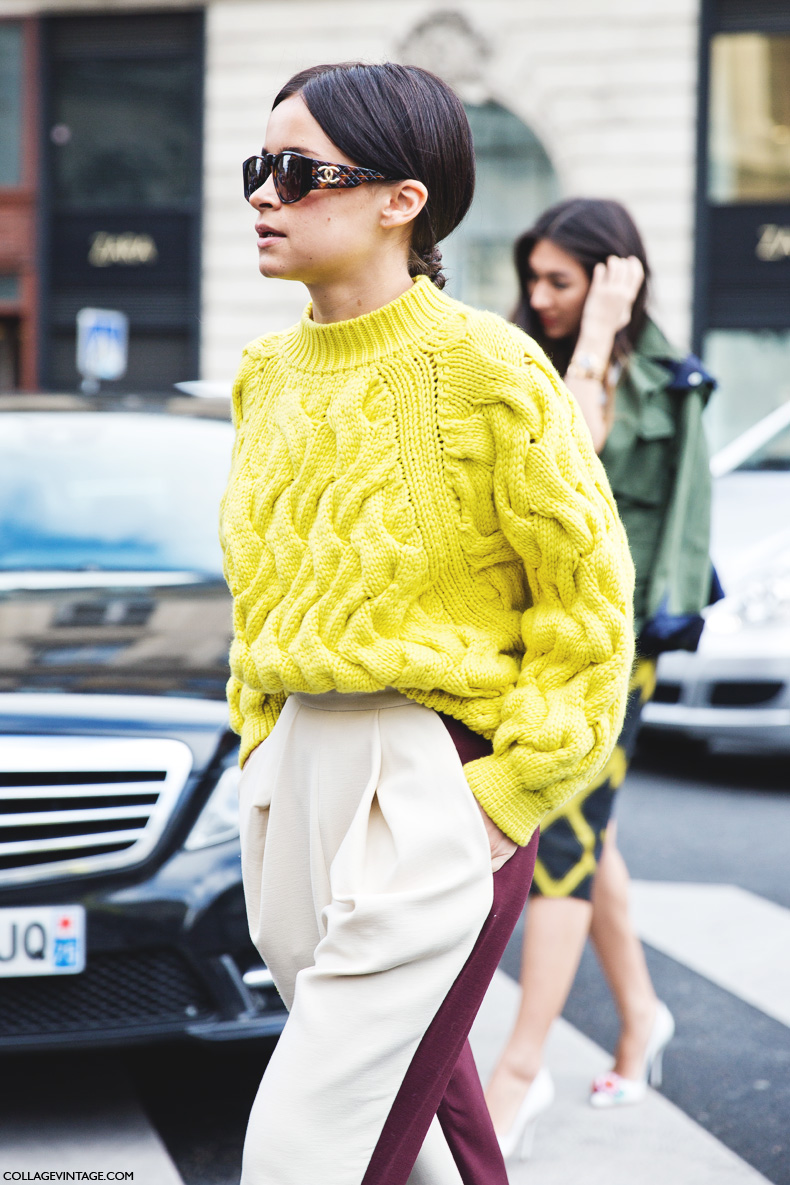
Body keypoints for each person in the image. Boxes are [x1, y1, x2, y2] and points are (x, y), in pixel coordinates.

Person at [219, 71, 635, 1185]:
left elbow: (586, 606)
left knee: (309, 1145)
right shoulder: (263, 376)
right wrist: (260, 747)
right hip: (289, 771)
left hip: (431, 774)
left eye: (299, 173)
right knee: (422, 1133)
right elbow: (262, 591)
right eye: (256, 170)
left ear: (403, 200)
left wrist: (503, 802)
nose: (265, 194)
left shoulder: (488, 368)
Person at [484, 197, 715, 1159]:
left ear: (614, 279)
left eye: (561, 282)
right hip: (528, 633)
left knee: (564, 834)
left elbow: (669, 521)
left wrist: (609, 334)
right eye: (533, 279)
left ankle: (520, 1071)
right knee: (591, 831)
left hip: (619, 646)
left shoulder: (672, 384)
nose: (540, 299)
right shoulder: (512, 358)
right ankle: (642, 1017)